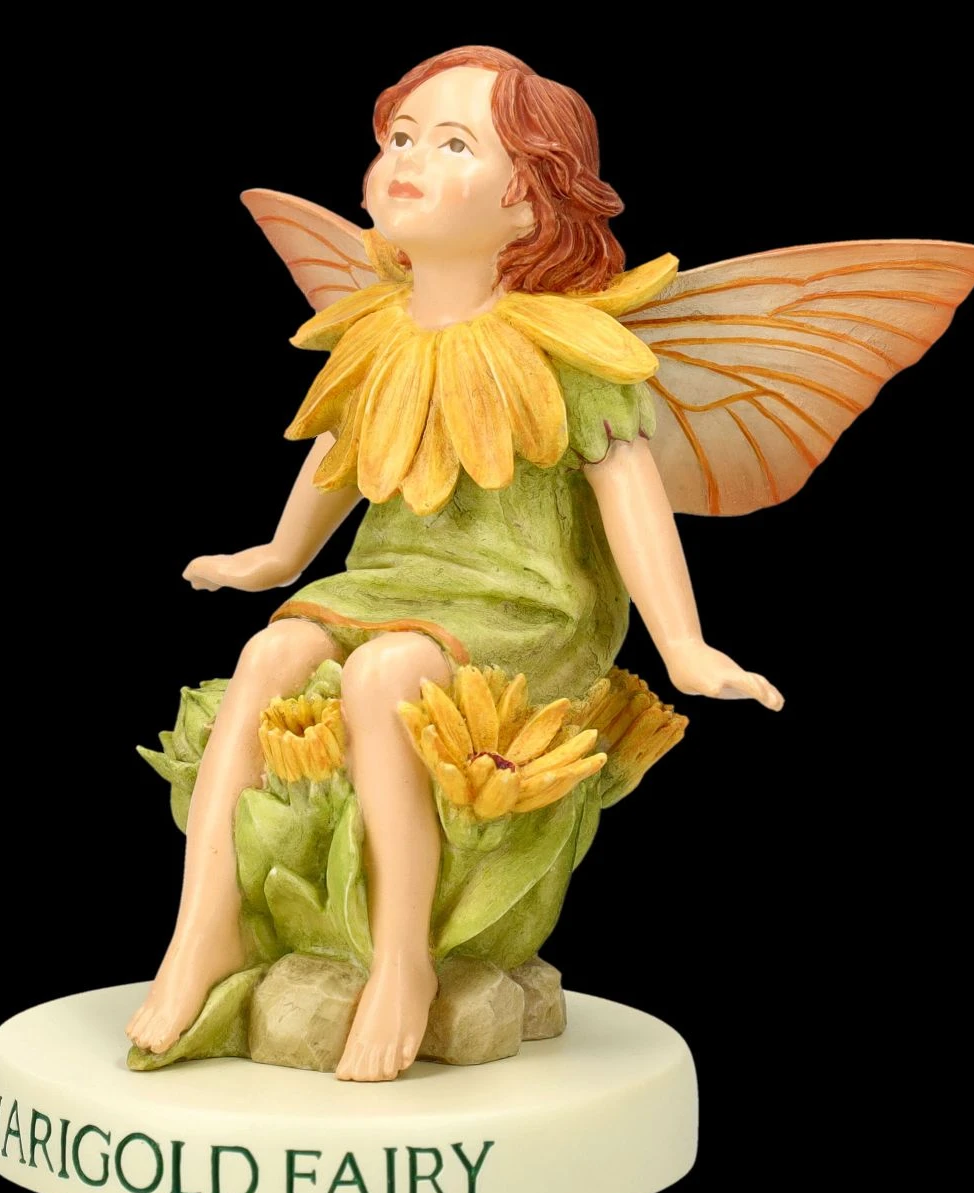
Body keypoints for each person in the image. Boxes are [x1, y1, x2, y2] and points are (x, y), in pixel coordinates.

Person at [125, 46, 782, 1083]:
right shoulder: (375, 327)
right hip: (393, 579)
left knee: (386, 675)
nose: (409, 159)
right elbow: (339, 457)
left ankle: (401, 964)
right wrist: (279, 556)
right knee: (268, 655)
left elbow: (632, 501)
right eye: (397, 137)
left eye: (454, 143)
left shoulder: (570, 346)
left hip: (530, 600)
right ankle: (204, 929)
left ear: (527, 204)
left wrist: (685, 646)